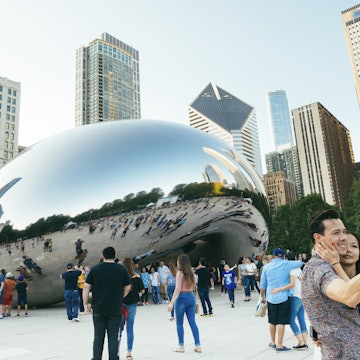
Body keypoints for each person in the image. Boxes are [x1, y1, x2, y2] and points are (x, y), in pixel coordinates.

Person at [302, 209, 360, 359]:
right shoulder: (318, 267)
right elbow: (347, 296)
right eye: (336, 233)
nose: (343, 238)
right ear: (318, 238)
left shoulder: (331, 264)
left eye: (344, 231)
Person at [313, 231, 360, 359]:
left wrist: (335, 263)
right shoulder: (326, 280)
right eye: (344, 246)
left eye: (354, 246)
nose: (348, 250)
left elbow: (351, 296)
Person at [83, 246, 131, 360]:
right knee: (113, 337)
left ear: (103, 256)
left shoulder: (95, 269)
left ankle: (96, 358)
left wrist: (86, 303)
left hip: (98, 308)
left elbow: (86, 286)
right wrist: (120, 297)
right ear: (114, 256)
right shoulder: (121, 269)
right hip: (115, 309)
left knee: (98, 337)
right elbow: (128, 287)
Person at [259, 248, 302, 352]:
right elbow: (300, 263)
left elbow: (263, 284)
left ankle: (273, 342)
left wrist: (262, 297)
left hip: (271, 297)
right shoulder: (286, 264)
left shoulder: (266, 267)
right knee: (281, 322)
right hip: (283, 297)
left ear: (273, 256)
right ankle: (280, 345)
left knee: (272, 321)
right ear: (283, 256)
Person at [270, 253, 308, 350]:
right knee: (301, 319)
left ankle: (301, 342)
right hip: (302, 296)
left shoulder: (291, 270)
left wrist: (279, 289)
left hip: (295, 296)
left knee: (291, 320)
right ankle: (304, 341)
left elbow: (292, 284)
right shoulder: (299, 269)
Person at [167, 254, 201, 353]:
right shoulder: (192, 273)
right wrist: (197, 301)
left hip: (181, 298)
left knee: (179, 323)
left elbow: (177, 289)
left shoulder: (179, 273)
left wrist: (171, 302)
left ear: (180, 262)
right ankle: (198, 345)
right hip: (191, 297)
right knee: (193, 322)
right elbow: (195, 288)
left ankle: (181, 346)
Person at [120, 257, 145, 360]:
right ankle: (129, 352)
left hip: (121, 305)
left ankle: (115, 351)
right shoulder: (137, 277)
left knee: (118, 329)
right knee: (130, 328)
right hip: (132, 305)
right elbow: (142, 291)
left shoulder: (120, 277)